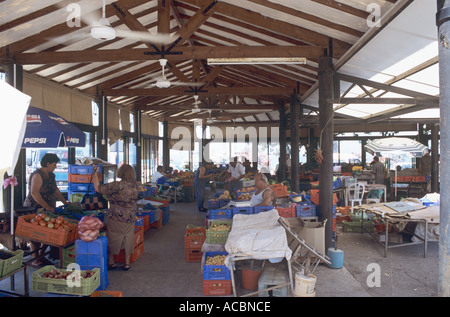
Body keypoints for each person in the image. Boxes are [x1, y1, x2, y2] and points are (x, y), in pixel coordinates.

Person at [23, 153, 70, 267]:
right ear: (47, 163)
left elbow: (55, 190)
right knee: (35, 235)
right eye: (54, 164)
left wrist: (65, 202)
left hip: (48, 208)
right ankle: (36, 259)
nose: (55, 166)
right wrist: (46, 207)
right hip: (35, 207)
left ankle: (41, 255)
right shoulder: (37, 175)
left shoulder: (51, 175)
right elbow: (35, 193)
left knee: (48, 233)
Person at [93, 164, 140, 271]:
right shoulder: (135, 185)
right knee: (128, 238)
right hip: (130, 217)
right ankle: (127, 263)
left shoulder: (116, 185)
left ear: (120, 173)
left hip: (116, 217)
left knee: (113, 238)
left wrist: (95, 174)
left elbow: (98, 188)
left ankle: (111, 262)